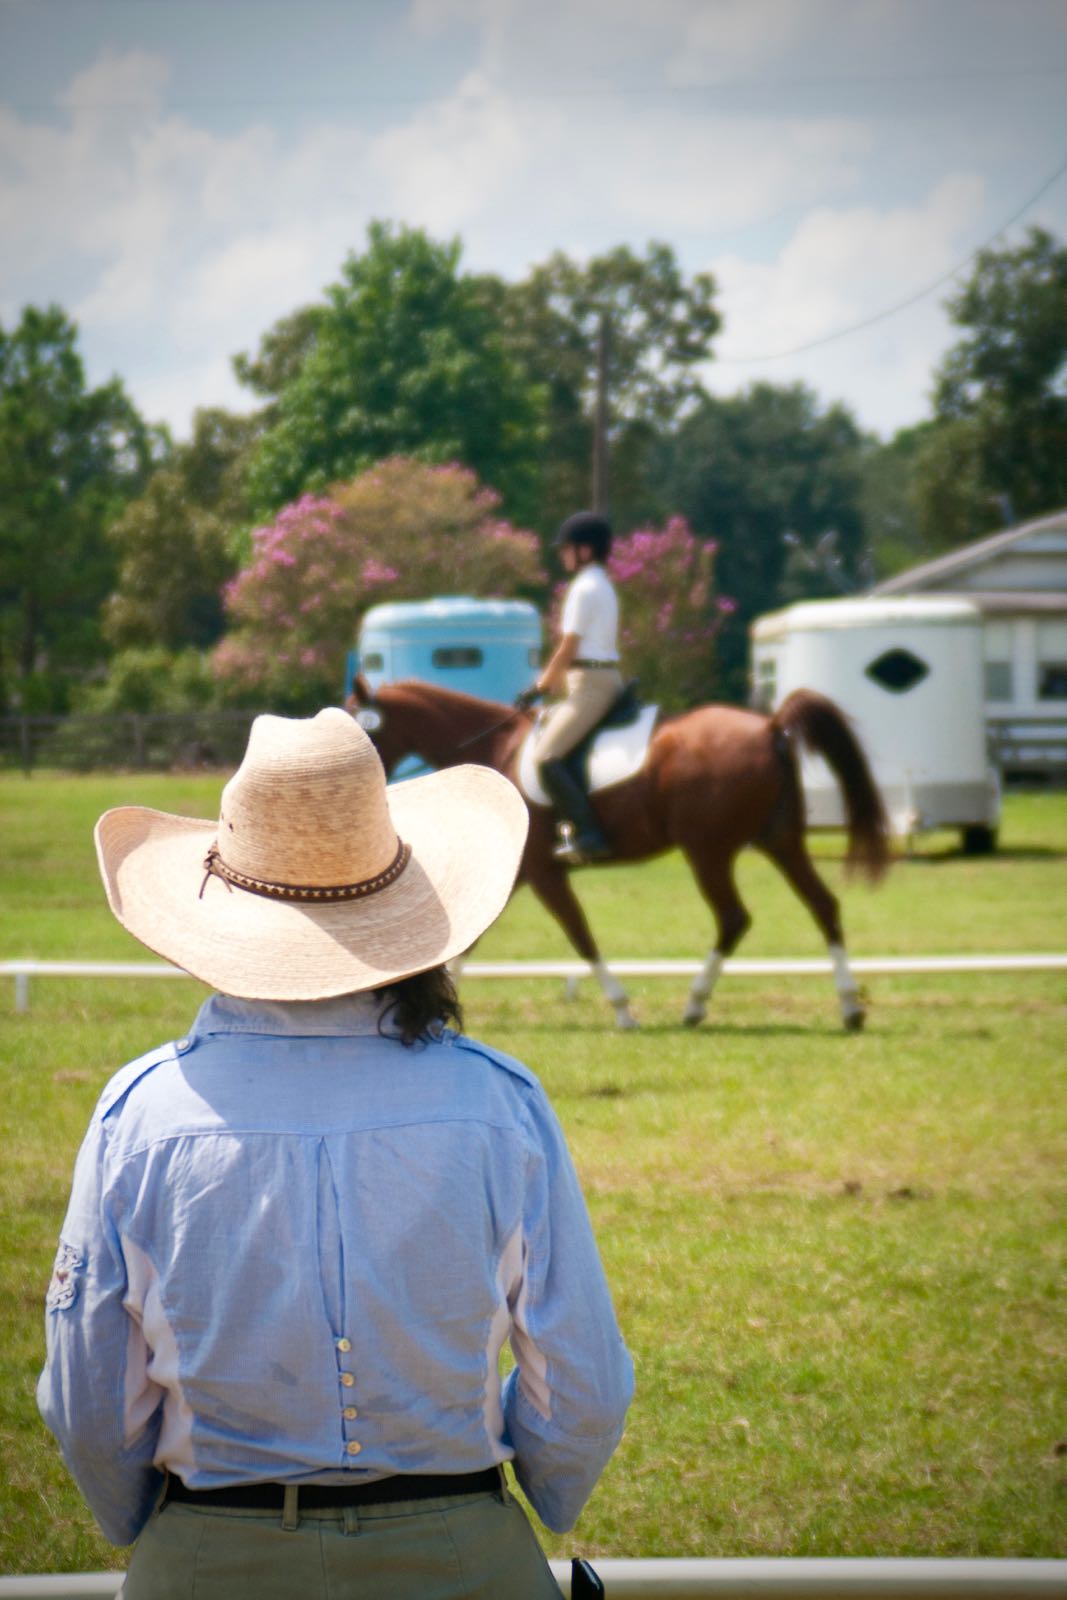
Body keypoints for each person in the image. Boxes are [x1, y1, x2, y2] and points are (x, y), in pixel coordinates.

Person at [37, 707, 633, 1599]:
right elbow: (582, 1382)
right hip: (462, 1552)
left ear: (222, 903)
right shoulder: (496, 1101)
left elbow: (90, 1404)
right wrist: (536, 1495)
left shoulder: (141, 1114)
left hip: (209, 1559)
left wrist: (148, 1522)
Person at [521, 511, 623, 866]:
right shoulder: (600, 583)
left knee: (547, 758)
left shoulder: (584, 588)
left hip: (590, 686)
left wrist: (541, 686)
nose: (561, 555)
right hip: (595, 680)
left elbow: (568, 647)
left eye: (566, 548)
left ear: (584, 550)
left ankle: (589, 833)